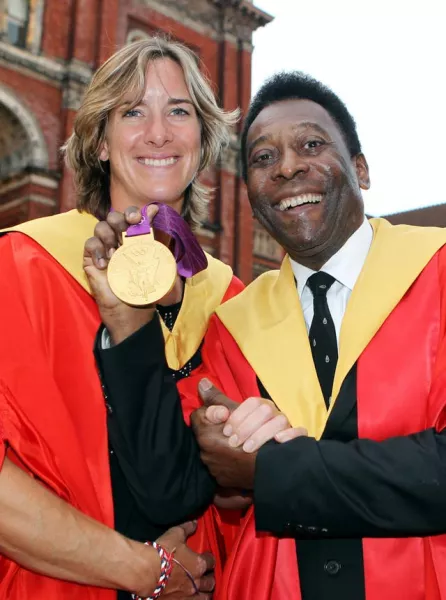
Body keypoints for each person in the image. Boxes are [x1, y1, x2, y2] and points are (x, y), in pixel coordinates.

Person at [0, 36, 243, 599]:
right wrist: (144, 571)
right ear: (100, 142)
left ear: (202, 140)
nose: (158, 132)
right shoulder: (23, 264)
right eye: (132, 111)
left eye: (179, 111)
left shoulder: (230, 298)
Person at [189, 71, 446, 600]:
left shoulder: (438, 273)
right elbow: (222, 511)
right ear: (251, 198)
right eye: (262, 159)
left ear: (360, 170)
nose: (286, 167)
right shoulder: (232, 327)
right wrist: (220, 471)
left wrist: (272, 469)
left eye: (311, 144)